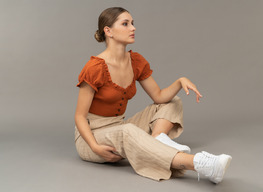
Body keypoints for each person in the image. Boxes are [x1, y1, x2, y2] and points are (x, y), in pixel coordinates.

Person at [74, 7, 232, 184]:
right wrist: (95, 147)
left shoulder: (136, 61)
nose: (133, 28)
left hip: (120, 125)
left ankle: (158, 140)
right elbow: (79, 116)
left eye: (133, 23)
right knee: (128, 131)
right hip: (92, 137)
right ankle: (200, 164)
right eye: (125, 24)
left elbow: (159, 97)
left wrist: (180, 81)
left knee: (172, 102)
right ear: (108, 31)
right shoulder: (94, 68)